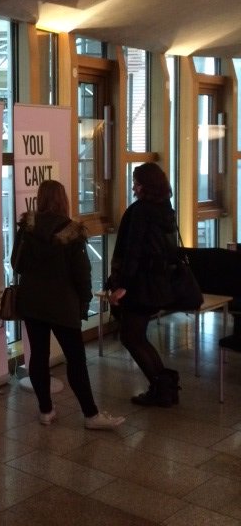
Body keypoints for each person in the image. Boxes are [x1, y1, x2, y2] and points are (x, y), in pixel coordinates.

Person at [14, 179, 125, 430]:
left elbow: (15, 264)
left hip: (32, 302)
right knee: (76, 360)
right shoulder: (72, 232)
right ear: (62, 200)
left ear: (40, 198)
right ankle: (90, 415)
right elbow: (82, 274)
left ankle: (45, 411)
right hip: (63, 305)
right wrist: (85, 301)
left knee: (38, 357)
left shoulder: (26, 228)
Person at [107, 162, 180, 407]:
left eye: (136, 183)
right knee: (137, 336)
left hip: (139, 286)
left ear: (146, 186)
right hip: (158, 284)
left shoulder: (140, 211)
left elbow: (133, 251)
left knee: (132, 337)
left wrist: (122, 285)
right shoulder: (166, 209)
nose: (133, 188)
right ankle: (165, 387)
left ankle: (161, 388)